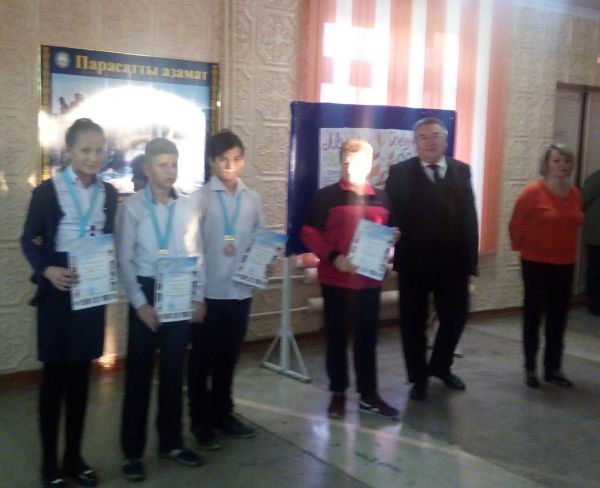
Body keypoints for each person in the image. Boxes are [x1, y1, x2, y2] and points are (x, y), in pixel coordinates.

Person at [21, 118, 118, 487]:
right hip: (58, 290)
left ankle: (74, 457)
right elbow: (29, 239)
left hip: (91, 289)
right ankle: (50, 463)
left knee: (80, 377)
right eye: (86, 150)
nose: (94, 157)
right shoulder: (48, 191)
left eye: (99, 150)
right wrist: (47, 270)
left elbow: (109, 237)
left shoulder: (109, 193)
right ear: (70, 151)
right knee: (54, 378)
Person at [116, 138, 205, 481]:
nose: (170, 172)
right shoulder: (133, 208)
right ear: (147, 168)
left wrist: (198, 296)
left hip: (179, 289)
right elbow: (124, 260)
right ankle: (132, 453)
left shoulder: (187, 207)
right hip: (146, 290)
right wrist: (140, 304)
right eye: (162, 165)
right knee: (139, 375)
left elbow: (197, 254)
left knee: (173, 372)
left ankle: (172, 442)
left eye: (174, 165)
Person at [301, 138, 400, 419]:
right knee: (336, 340)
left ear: (369, 164)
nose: (348, 168)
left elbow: (390, 230)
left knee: (367, 340)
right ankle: (338, 393)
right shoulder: (326, 196)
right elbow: (309, 233)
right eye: (344, 162)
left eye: (354, 162)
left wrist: (393, 237)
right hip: (336, 281)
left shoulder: (383, 197)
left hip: (370, 282)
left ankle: (369, 395)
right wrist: (335, 257)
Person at [385, 117, 478, 401]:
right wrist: (386, 232)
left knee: (455, 317)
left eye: (435, 135)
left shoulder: (461, 170)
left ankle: (440, 365)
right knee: (412, 323)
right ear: (414, 143)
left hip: (453, 264)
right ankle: (419, 378)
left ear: (445, 140)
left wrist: (471, 260)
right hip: (413, 264)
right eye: (423, 137)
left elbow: (469, 218)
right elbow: (388, 213)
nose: (430, 142)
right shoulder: (400, 172)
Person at [187, 130, 263, 450]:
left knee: (229, 358)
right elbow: (192, 250)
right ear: (211, 161)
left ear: (242, 160)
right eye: (223, 160)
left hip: (240, 292)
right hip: (209, 295)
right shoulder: (200, 199)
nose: (230, 166)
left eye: (236, 159)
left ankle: (223, 412)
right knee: (201, 360)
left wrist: (265, 262)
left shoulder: (252, 198)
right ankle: (200, 420)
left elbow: (260, 239)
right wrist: (196, 296)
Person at [509, 144, 583, 388]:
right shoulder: (532, 192)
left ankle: (553, 368)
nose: (562, 165)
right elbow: (516, 224)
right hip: (536, 263)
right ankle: (530, 367)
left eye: (566, 161)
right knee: (534, 316)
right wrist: (524, 248)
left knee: (558, 317)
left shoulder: (574, 193)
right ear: (547, 164)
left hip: (565, 263)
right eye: (557, 160)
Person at [582, 168, 600, 315]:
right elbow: (582, 200)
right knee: (596, 270)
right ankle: (595, 304)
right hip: (597, 235)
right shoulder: (597, 178)